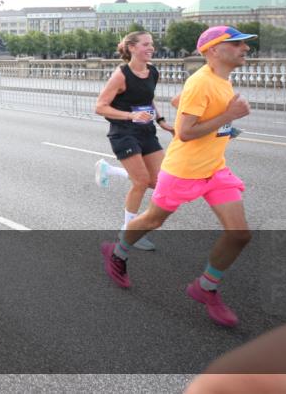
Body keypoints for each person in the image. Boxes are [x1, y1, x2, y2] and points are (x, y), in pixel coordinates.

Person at [101, 26, 256, 327]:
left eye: (244, 45)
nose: (245, 49)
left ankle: (206, 287)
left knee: (239, 234)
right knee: (152, 220)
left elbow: (179, 103)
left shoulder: (220, 79)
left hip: (214, 169)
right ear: (214, 50)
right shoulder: (202, 83)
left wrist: (223, 127)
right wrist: (228, 116)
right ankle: (118, 251)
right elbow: (185, 133)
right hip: (184, 171)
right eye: (236, 44)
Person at [93, 31, 175, 250]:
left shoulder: (153, 72)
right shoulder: (121, 75)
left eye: (152, 44)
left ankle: (109, 170)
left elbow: (148, 100)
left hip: (146, 131)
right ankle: (129, 232)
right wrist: (130, 115)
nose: (151, 48)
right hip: (123, 132)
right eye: (146, 44)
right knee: (140, 182)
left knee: (157, 182)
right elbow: (100, 106)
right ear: (131, 48)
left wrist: (162, 121)